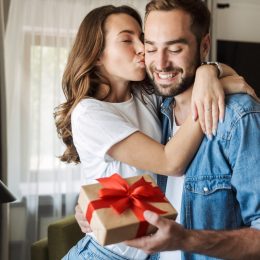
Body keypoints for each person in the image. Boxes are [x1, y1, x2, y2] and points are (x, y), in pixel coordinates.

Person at [55, 4, 256, 260]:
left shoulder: (147, 96)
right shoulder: (90, 112)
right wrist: (217, 90)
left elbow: (179, 74)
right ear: (96, 54)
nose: (143, 51)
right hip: (104, 254)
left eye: (143, 40)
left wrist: (210, 71)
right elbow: (168, 162)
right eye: (129, 41)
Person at [124, 0, 260, 259]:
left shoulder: (239, 117)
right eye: (151, 49)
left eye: (175, 49)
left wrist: (187, 239)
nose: (161, 64)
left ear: (204, 45)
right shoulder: (154, 109)